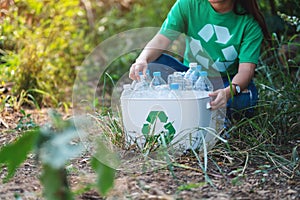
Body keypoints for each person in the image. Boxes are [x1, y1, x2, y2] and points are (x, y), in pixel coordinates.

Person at [129, 0, 270, 120]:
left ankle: (190, 106)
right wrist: (142, 59)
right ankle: (199, 107)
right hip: (189, 78)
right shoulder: (188, 4)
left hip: (225, 82)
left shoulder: (249, 23)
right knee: (153, 66)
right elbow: (161, 40)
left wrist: (228, 93)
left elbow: (246, 70)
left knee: (246, 100)